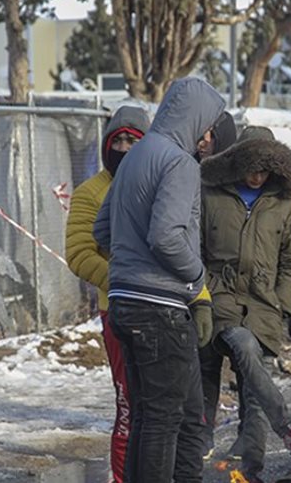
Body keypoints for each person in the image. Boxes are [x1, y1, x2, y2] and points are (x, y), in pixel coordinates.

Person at [93, 77, 224, 483]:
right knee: (166, 421)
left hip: (124, 303)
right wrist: (197, 274)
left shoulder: (135, 157)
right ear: (194, 119)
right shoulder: (179, 162)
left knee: (153, 417)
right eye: (207, 126)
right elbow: (166, 236)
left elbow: (102, 231)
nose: (207, 136)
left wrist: (129, 263)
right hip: (160, 308)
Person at [198, 130, 291, 481]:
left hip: (264, 304)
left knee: (253, 389)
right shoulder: (211, 195)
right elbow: (195, 248)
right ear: (235, 161)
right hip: (219, 298)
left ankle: (253, 471)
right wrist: (204, 290)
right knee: (235, 356)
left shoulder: (283, 202)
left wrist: (281, 301)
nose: (257, 176)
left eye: (265, 170)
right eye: (251, 167)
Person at [65, 105, 150, 483]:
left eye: (136, 140)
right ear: (107, 145)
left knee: (162, 408)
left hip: (164, 312)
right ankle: (121, 477)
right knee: (128, 405)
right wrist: (123, 280)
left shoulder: (160, 184)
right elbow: (80, 253)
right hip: (116, 310)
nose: (128, 148)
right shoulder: (91, 192)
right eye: (120, 140)